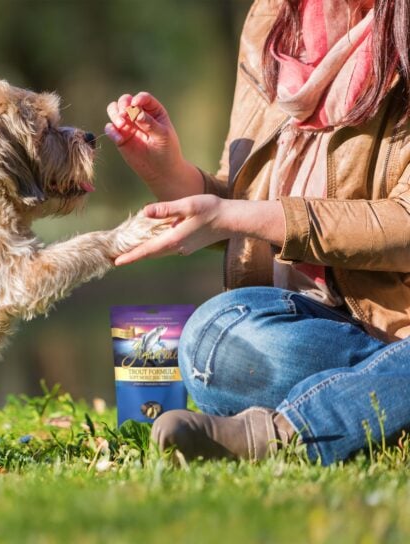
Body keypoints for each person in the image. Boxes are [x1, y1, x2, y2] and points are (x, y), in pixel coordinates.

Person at [105, 0, 410, 465]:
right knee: (212, 343)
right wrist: (170, 172)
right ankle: (383, 397)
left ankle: (285, 432)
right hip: (315, 329)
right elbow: (243, 198)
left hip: (396, 327)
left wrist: (234, 215)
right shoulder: (273, 19)